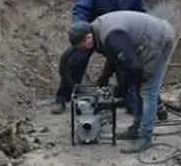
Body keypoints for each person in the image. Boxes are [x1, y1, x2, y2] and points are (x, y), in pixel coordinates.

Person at [68, 10, 175, 154]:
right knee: (137, 87)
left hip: (159, 39)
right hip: (145, 41)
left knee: (147, 90)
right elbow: (114, 58)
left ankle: (145, 138)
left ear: (87, 38)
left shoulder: (112, 36)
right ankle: (136, 128)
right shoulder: (98, 31)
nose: (81, 50)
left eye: (81, 46)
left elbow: (133, 67)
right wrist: (103, 80)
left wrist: (122, 89)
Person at [53, 0, 147, 114]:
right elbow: (81, 9)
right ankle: (63, 98)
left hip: (119, 35)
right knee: (75, 61)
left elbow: (140, 13)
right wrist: (82, 32)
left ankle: (129, 99)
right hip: (94, 31)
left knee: (126, 64)